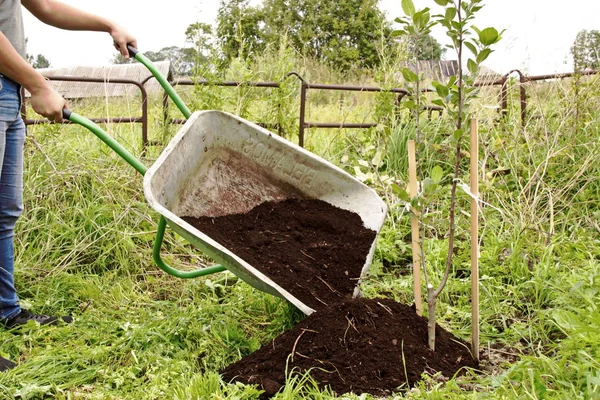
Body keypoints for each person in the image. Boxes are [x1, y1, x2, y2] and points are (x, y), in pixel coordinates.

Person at [0, 0, 137, 370]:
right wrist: (38, 83)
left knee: (5, 213)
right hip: (10, 84)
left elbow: (43, 6)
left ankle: (5, 311)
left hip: (8, 93)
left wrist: (108, 24)